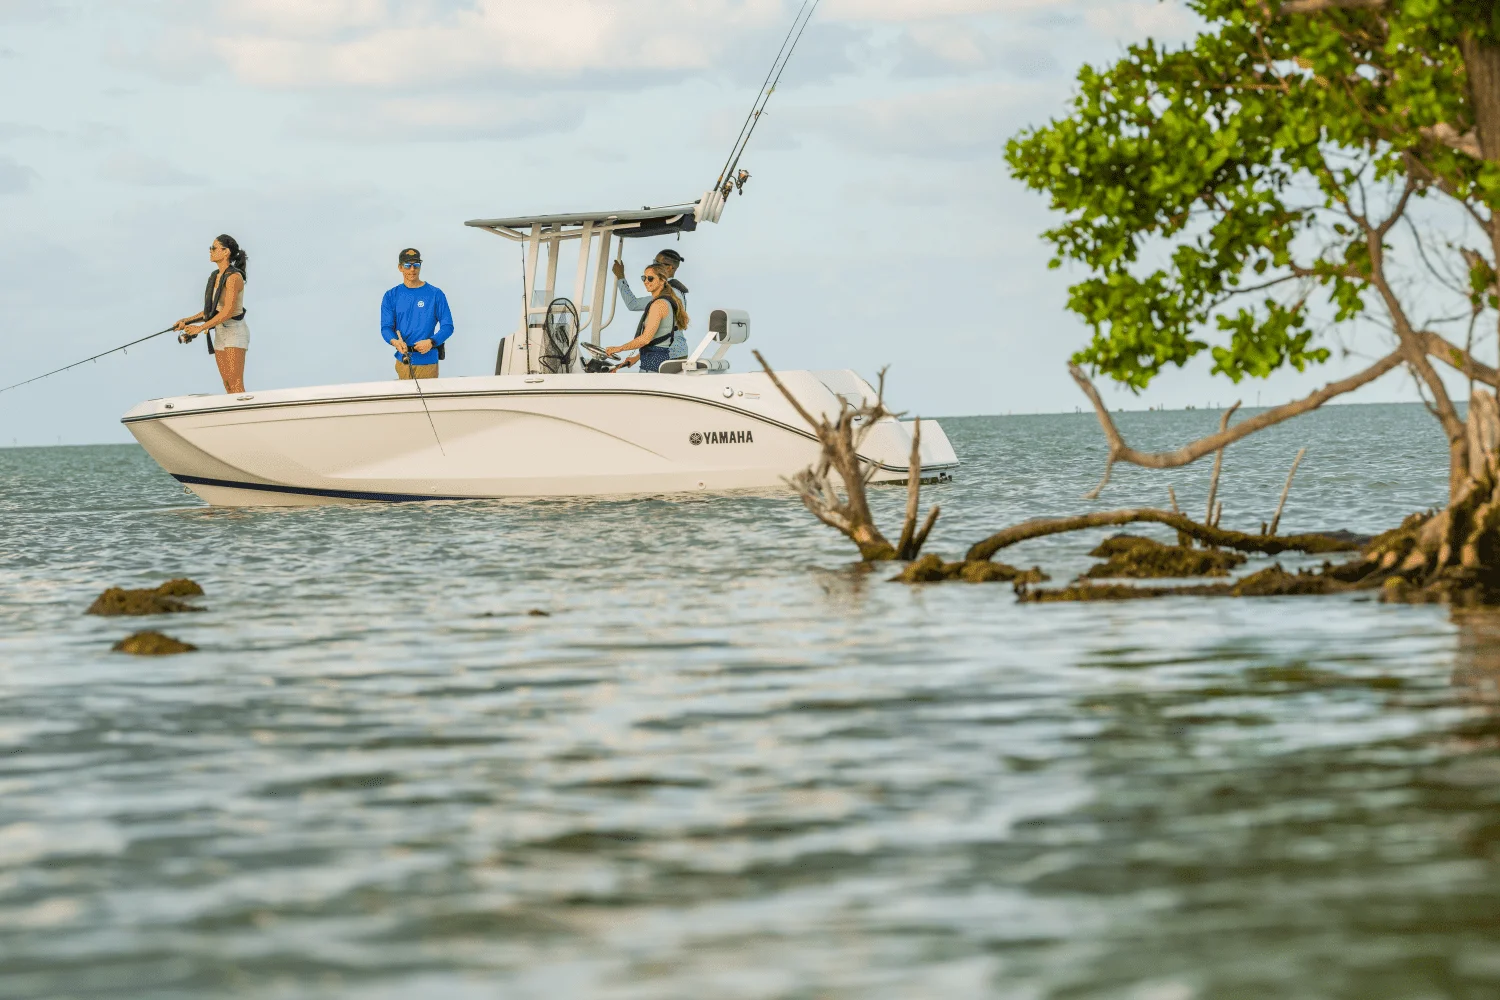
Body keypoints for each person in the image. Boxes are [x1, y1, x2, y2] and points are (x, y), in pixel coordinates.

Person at [173, 234, 250, 394]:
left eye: (214, 248)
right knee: (227, 384)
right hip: (220, 331)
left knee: (236, 383)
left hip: (234, 331)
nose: (210, 251)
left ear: (226, 252)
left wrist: (200, 328)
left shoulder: (234, 278)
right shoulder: (216, 276)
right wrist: (186, 321)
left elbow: (228, 311)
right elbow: (212, 311)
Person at [381, 248, 454, 379]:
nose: (412, 269)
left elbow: (448, 326)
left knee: (427, 393)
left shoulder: (435, 294)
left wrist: (432, 342)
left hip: (427, 362)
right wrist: (395, 342)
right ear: (400, 267)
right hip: (403, 361)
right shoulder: (391, 296)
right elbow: (386, 327)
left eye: (416, 265)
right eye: (407, 265)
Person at [604, 263, 687, 373]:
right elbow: (657, 339)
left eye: (650, 278)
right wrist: (636, 358)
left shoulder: (659, 305)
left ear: (662, 280)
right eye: (644, 278)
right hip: (653, 360)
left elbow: (645, 339)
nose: (646, 281)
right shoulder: (663, 302)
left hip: (653, 365)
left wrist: (619, 348)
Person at [613, 248, 689, 359]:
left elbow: (633, 304)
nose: (653, 266)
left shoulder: (667, 296)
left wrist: (620, 277)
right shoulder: (677, 291)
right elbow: (661, 332)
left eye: (656, 263)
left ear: (669, 268)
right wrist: (636, 358)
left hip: (667, 355)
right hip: (675, 352)